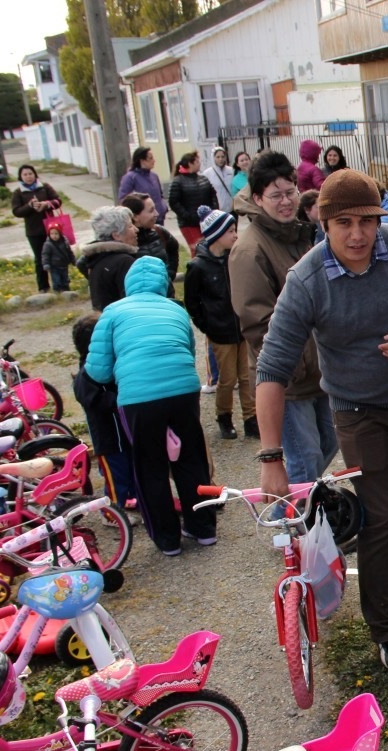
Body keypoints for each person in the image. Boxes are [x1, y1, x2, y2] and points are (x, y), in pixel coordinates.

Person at [253, 169, 388, 673]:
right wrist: (271, 458)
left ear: (379, 218)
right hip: (357, 412)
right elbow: (271, 368)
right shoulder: (307, 279)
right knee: (384, 518)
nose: (357, 234)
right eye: (343, 223)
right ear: (324, 223)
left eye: (366, 221)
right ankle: (386, 629)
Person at [83, 256, 217, 556]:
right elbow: (188, 348)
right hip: (183, 390)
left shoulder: (113, 311)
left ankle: (167, 539)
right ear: (164, 283)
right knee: (191, 458)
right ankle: (203, 528)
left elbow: (98, 371)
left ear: (128, 283)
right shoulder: (176, 309)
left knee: (149, 466)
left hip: (139, 397)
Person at [228, 151, 336, 485]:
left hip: (319, 370)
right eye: (275, 196)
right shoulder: (249, 250)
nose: (286, 202)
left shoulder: (299, 234)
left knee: (329, 444)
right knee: (305, 460)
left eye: (290, 192)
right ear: (258, 199)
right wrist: (293, 366)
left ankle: (300, 510)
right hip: (287, 379)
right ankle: (286, 516)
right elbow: (257, 323)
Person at [186, 206, 257, 441]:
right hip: (220, 331)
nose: (236, 235)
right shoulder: (198, 266)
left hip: (241, 328)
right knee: (227, 379)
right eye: (231, 231)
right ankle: (224, 416)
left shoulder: (234, 258)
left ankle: (251, 418)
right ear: (216, 235)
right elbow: (192, 302)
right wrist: (207, 326)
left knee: (246, 376)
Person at [71, 313, 136, 511]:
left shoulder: (107, 366)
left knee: (131, 472)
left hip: (124, 436)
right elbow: (96, 400)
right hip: (108, 441)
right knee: (116, 479)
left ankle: (132, 500)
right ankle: (111, 513)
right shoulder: (85, 375)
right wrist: (121, 398)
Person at [10, 165, 63, 293]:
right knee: (40, 259)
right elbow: (16, 211)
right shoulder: (18, 192)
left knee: (56, 256)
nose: (28, 177)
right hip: (33, 231)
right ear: (20, 177)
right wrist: (29, 206)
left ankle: (60, 284)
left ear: (35, 174)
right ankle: (43, 286)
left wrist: (46, 204)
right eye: (25, 174)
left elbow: (58, 201)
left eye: (30, 173)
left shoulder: (45, 187)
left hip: (51, 229)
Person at [78, 206, 139, 311]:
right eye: (130, 226)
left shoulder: (95, 260)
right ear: (116, 235)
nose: (136, 229)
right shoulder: (124, 262)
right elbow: (134, 304)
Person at [120, 192, 179, 297]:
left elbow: (174, 248)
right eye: (151, 210)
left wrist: (169, 275)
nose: (156, 213)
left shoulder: (159, 232)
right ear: (135, 216)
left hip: (166, 298)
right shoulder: (123, 242)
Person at [168, 152, 218, 249]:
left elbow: (213, 195)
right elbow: (173, 202)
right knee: (197, 248)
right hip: (188, 224)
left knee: (210, 247)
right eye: (197, 162)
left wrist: (213, 211)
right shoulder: (178, 181)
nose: (199, 164)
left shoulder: (203, 179)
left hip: (206, 220)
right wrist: (188, 216)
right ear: (190, 164)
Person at [118, 147, 168, 225]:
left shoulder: (154, 176)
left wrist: (163, 207)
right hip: (143, 222)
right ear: (142, 161)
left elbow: (160, 195)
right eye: (150, 158)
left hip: (159, 218)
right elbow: (124, 200)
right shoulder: (130, 178)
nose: (154, 161)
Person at [40, 221, 75, 293]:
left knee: (65, 279)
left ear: (60, 233)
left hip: (64, 265)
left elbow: (69, 252)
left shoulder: (65, 242)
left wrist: (73, 260)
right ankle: (57, 292)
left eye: (56, 233)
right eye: (52, 234)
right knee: (56, 281)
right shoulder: (48, 244)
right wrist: (46, 264)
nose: (54, 236)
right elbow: (45, 255)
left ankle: (66, 290)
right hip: (54, 267)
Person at [203, 146, 235, 212]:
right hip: (218, 210)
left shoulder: (231, 170)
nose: (221, 159)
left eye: (222, 157)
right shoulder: (207, 173)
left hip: (232, 209)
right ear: (213, 158)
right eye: (218, 157)